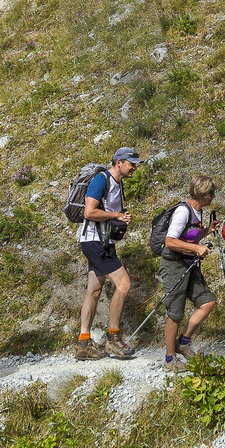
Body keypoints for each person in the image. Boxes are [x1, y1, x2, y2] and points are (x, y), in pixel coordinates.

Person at [74, 147, 142, 360]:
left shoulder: (117, 184)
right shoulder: (101, 180)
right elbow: (89, 211)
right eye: (132, 164)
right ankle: (113, 340)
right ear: (119, 162)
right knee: (124, 285)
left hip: (101, 241)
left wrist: (120, 219)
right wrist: (117, 215)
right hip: (95, 242)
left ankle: (84, 344)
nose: (134, 168)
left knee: (94, 291)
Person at [160, 175, 218, 372]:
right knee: (175, 313)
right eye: (211, 193)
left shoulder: (197, 211)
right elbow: (170, 241)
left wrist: (208, 230)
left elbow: (191, 235)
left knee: (207, 302)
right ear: (202, 194)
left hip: (188, 263)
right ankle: (169, 359)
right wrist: (196, 249)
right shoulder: (183, 212)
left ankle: (183, 342)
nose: (213, 196)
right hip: (174, 264)